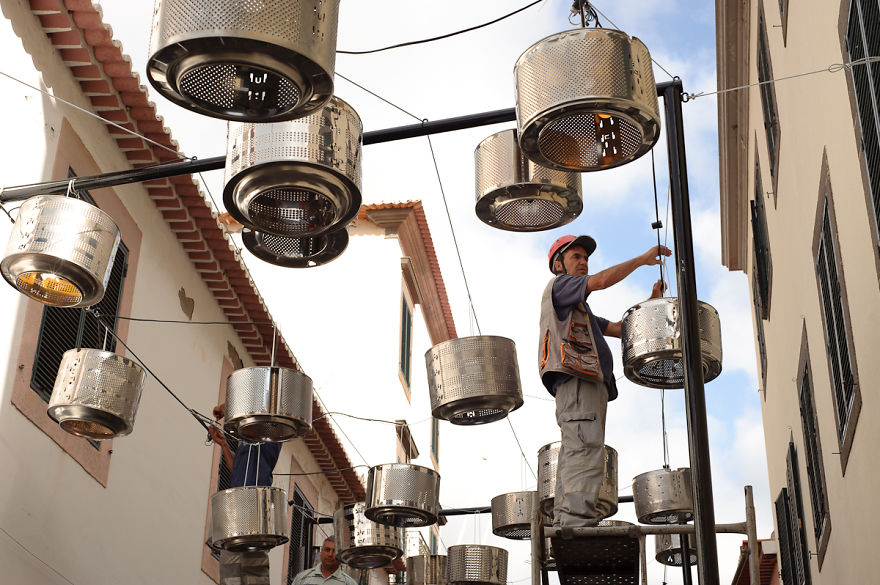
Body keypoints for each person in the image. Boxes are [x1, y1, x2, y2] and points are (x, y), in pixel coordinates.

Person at [539, 234, 671, 528]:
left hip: (585, 384)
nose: (583, 263)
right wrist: (640, 260)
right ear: (558, 264)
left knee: (579, 446)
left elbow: (619, 329)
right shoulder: (560, 287)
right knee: (584, 447)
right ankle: (576, 521)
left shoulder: (579, 312)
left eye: (585, 258)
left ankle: (567, 517)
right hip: (577, 381)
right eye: (576, 257)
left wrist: (651, 302)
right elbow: (600, 282)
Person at [210, 403, 282, 487]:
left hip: (255, 493)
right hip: (237, 492)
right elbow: (237, 470)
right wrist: (224, 444)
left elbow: (262, 410)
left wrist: (228, 407)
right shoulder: (246, 440)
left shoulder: (271, 431)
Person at [291, 536, 358, 585]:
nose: (330, 554)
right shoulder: (302, 578)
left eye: (335, 551)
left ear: (341, 555)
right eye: (327, 550)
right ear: (321, 552)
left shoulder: (349, 583)